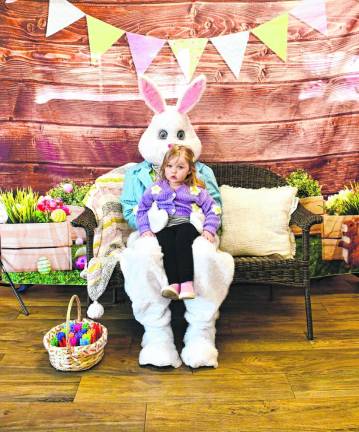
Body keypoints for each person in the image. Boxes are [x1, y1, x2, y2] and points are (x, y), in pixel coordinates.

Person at [136, 145, 221, 300]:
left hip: (187, 225)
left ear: (189, 170)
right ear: (164, 167)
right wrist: (145, 229)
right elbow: (142, 209)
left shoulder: (195, 190)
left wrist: (209, 229)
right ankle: (174, 283)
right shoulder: (155, 189)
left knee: (182, 240)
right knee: (167, 244)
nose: (173, 171)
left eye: (180, 167)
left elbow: (213, 209)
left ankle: (187, 283)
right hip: (165, 226)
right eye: (169, 166)